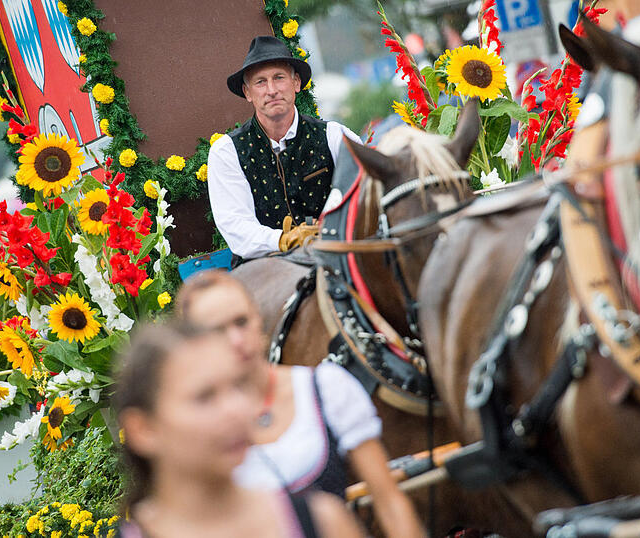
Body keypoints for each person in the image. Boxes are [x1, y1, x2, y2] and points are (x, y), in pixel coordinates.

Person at [176, 271, 425, 538]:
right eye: (217, 331)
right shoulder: (195, 433)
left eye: (241, 322)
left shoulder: (325, 388)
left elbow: (390, 502)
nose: (236, 340)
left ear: (258, 320)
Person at [114, 320, 362, 538]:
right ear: (143, 429)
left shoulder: (322, 521)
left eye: (239, 385)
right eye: (205, 396)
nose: (237, 409)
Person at [208, 35, 361, 261]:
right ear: (247, 92)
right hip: (264, 267)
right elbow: (236, 226)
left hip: (335, 259)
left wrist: (332, 229)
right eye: (260, 82)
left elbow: (367, 193)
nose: (271, 90)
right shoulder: (226, 151)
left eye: (279, 78)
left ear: (296, 83)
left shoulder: (335, 136)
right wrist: (284, 240)